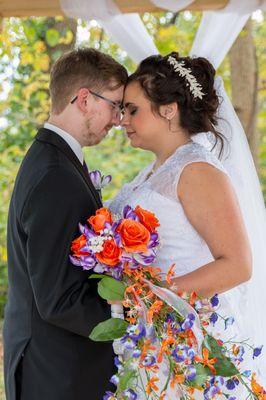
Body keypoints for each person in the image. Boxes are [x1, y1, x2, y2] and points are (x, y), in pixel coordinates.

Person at [109, 52, 261, 398]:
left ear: (168, 109)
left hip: (184, 339)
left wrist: (152, 298)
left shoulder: (197, 171)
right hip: (149, 336)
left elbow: (238, 264)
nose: (122, 119)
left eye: (132, 109)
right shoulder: (153, 172)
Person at [3, 47, 127, 400]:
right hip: (56, 373)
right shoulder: (56, 174)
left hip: (54, 365)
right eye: (115, 105)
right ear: (84, 99)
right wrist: (129, 313)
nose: (118, 119)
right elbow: (58, 300)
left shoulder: (54, 158)